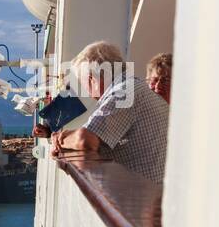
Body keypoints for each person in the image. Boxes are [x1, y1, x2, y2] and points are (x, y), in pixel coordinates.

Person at [52, 41, 169, 184]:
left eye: (83, 84)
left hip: (139, 199)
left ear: (92, 79)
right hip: (151, 195)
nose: (87, 92)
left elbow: (86, 140)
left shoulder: (124, 92)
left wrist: (59, 139)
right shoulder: (134, 86)